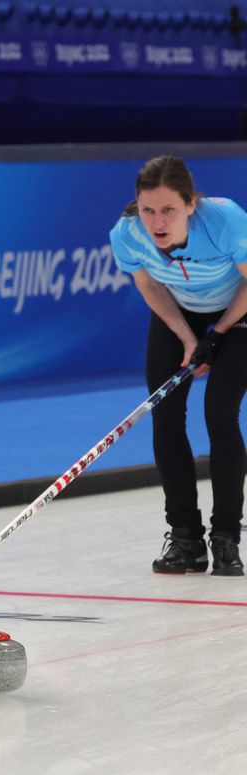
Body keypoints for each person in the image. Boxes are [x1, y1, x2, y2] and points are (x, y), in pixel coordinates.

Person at [110, 155, 247, 577]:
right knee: (166, 416)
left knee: (219, 414)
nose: (157, 221)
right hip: (180, 314)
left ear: (191, 204)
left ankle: (225, 538)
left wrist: (217, 334)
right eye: (148, 209)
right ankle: (184, 536)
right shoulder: (127, 234)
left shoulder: (224, 221)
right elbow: (149, 285)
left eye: (168, 209)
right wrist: (189, 338)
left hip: (238, 312)